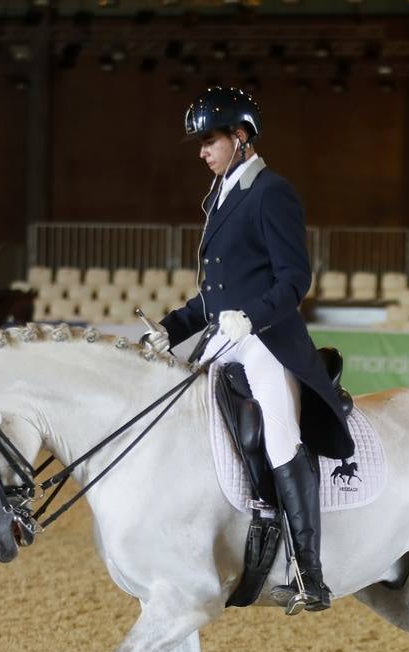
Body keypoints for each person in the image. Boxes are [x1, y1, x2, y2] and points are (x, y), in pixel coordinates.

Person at [142, 86, 355, 614]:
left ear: (240, 138)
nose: (201, 151)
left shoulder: (271, 192)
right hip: (226, 337)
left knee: (281, 434)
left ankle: (309, 573)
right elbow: (216, 295)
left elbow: (294, 279)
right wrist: (172, 328)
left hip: (266, 341)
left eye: (209, 140)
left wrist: (252, 317)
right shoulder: (219, 196)